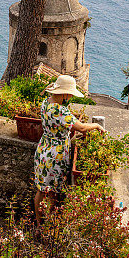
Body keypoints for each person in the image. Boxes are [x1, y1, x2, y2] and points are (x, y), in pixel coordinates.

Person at [33, 74, 104, 229]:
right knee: (51, 193)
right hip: (55, 156)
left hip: (43, 149)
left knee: (41, 189)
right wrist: (96, 126)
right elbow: (82, 127)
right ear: (64, 94)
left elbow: (56, 126)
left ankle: (39, 223)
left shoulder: (46, 103)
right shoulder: (60, 111)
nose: (71, 96)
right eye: (70, 94)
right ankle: (48, 226)